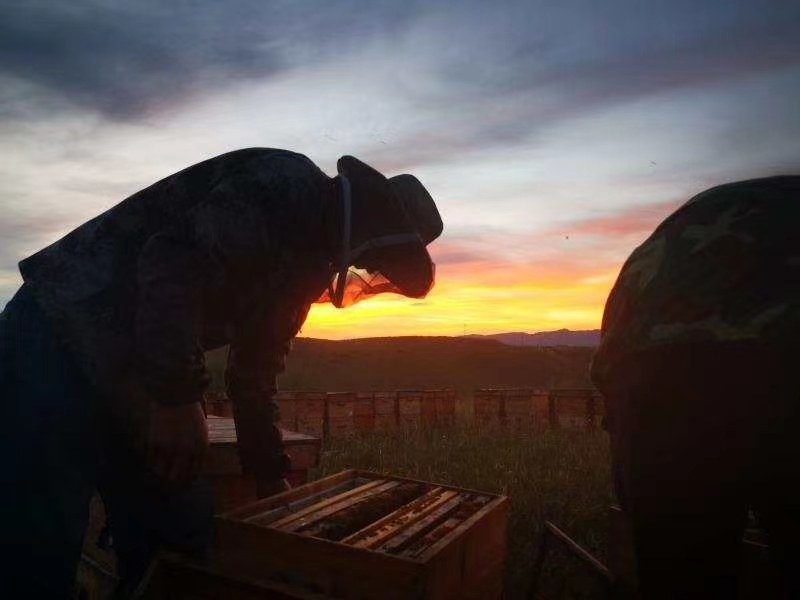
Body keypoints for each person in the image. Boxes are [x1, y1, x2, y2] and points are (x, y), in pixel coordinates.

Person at [0, 148, 443, 597]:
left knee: (179, 532)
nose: (370, 271)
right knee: (35, 553)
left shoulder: (308, 266)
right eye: (379, 261)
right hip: (57, 330)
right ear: (376, 227)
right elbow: (171, 264)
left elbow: (256, 369)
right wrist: (177, 399)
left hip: (131, 368)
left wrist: (268, 470)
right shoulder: (284, 185)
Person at [591, 175, 799, 598]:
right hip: (766, 354)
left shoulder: (707, 210)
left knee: (679, 576)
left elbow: (615, 356)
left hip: (646, 361)